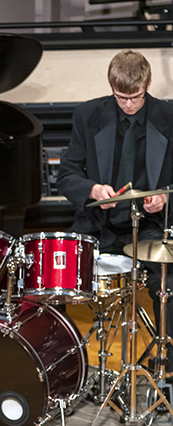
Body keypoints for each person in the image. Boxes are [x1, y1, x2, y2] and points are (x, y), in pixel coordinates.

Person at [57, 50, 173, 371]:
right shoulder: (88, 115)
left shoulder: (169, 117)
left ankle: (165, 367)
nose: (128, 105)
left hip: (150, 226)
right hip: (99, 225)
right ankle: (64, 365)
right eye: (120, 97)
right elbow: (66, 175)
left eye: (135, 97)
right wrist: (92, 190)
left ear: (147, 85)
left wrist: (164, 199)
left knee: (169, 284)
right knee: (55, 276)